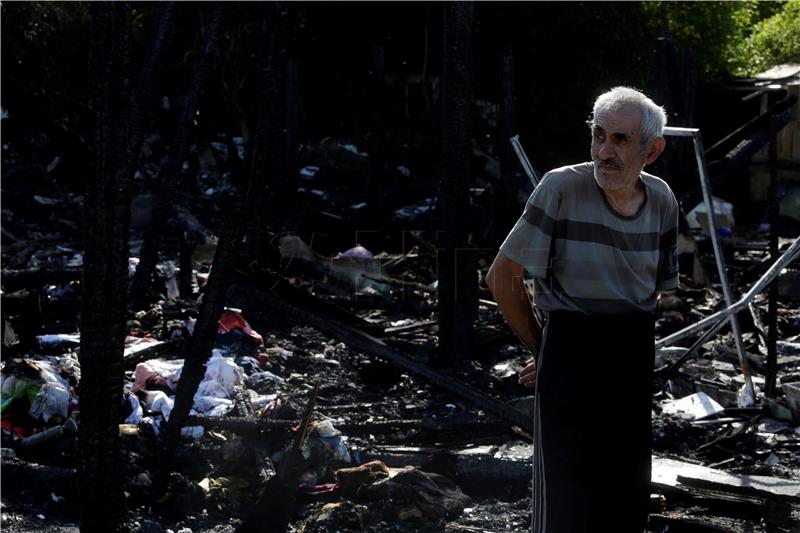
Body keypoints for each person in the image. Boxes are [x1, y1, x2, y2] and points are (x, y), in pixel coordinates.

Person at [486, 86, 678, 533]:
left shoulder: (663, 201)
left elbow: (653, 293)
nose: (604, 152)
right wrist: (544, 347)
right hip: (571, 346)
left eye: (620, 140)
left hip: (632, 353)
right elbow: (502, 278)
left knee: (625, 496)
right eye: (598, 136)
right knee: (565, 504)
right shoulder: (562, 187)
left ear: (652, 150)